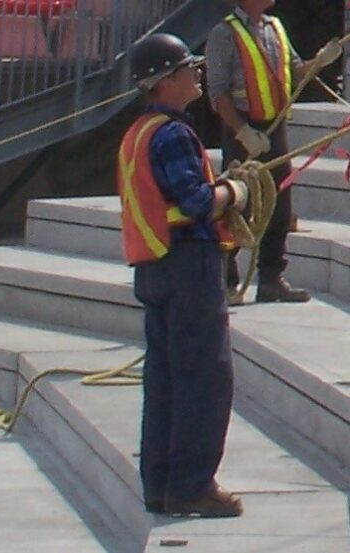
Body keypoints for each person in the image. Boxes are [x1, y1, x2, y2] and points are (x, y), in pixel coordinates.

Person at [119, 31, 244, 518]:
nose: (197, 74)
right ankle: (192, 484)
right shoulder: (172, 134)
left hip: (153, 264)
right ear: (166, 81)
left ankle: (161, 484)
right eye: (189, 69)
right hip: (186, 264)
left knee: (166, 377)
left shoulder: (138, 133)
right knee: (205, 377)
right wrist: (235, 194)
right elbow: (194, 202)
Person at [204, 0, 335, 304]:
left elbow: (296, 69)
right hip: (242, 129)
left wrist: (319, 61)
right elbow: (217, 93)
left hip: (275, 127)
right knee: (238, 205)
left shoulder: (275, 27)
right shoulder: (223, 35)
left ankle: (272, 278)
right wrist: (243, 132)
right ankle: (227, 278)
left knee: (278, 202)